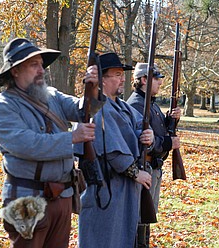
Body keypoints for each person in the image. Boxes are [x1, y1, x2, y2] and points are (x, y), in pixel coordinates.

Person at [0, 38, 99, 247]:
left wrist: (93, 88)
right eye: (34, 65)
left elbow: (82, 109)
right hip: (26, 199)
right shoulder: (2, 106)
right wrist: (72, 138)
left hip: (62, 196)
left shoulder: (51, 95)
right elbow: (26, 144)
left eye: (41, 64)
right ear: (14, 71)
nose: (42, 70)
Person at [74, 53, 154, 248]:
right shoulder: (95, 108)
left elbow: (141, 130)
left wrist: (149, 136)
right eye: (117, 74)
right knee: (103, 239)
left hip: (124, 190)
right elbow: (113, 151)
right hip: (105, 189)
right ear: (102, 79)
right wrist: (136, 174)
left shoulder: (123, 107)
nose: (123, 79)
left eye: (122, 74)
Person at [127, 63, 181, 247]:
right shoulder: (136, 104)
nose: (159, 83)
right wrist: (167, 143)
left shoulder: (150, 103)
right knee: (140, 217)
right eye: (156, 79)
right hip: (145, 166)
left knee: (147, 215)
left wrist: (171, 119)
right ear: (144, 80)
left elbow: (159, 129)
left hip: (154, 167)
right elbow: (143, 139)